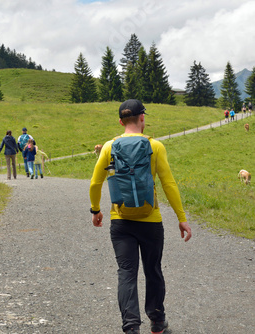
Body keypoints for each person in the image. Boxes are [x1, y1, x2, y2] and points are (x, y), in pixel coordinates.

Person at [89, 99, 192, 334]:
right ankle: (157, 321)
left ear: (120, 121)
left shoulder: (108, 146)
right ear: (142, 118)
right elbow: (168, 183)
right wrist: (181, 217)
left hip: (121, 221)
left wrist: (96, 210)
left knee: (126, 273)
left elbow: (96, 182)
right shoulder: (155, 146)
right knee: (152, 269)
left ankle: (131, 327)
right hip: (151, 221)